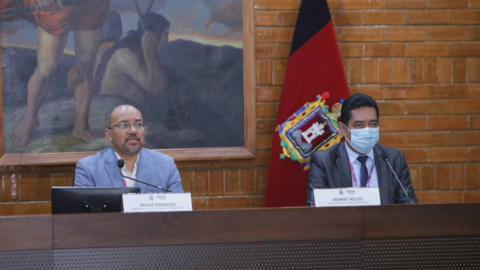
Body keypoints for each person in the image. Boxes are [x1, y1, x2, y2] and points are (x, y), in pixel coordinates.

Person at [9, 0, 110, 146]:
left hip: (90, 5)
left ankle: (81, 127)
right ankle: (29, 119)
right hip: (56, 4)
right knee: (46, 67)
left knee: (86, 64)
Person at [307, 94, 418, 205]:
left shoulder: (393, 160)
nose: (367, 130)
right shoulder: (324, 161)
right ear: (343, 129)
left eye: (373, 124)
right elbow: (316, 209)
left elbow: (408, 207)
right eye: (359, 125)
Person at [74, 105, 184, 193]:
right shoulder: (88, 168)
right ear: (109, 134)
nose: (133, 131)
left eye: (138, 124)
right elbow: (83, 215)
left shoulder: (165, 164)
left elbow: (179, 212)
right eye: (123, 125)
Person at [94, 12, 170, 105]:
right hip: (111, 111)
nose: (167, 42)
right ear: (153, 35)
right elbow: (157, 88)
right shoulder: (125, 56)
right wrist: (150, 52)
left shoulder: (129, 53)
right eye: (165, 35)